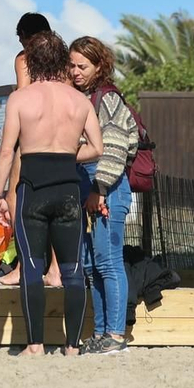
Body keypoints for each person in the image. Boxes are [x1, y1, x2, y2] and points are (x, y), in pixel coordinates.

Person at [0, 33, 93, 356]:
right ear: (63, 62)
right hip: (67, 191)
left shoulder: (21, 99)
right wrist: (66, 156)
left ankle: (35, 345)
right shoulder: (80, 101)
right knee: (72, 270)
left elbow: (6, 152)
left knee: (32, 268)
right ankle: (72, 346)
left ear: (31, 63)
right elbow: (97, 148)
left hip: (32, 190)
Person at [70, 37, 136, 354]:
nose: (75, 71)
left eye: (82, 66)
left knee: (108, 262)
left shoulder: (107, 99)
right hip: (89, 188)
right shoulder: (80, 98)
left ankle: (116, 334)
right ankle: (99, 332)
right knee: (90, 265)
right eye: (71, 65)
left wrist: (100, 189)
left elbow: (115, 149)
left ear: (99, 66)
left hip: (107, 186)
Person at [13, 12, 52, 89]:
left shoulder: (24, 58)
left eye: (19, 36)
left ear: (23, 34)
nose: (19, 40)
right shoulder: (63, 56)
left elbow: (23, 90)